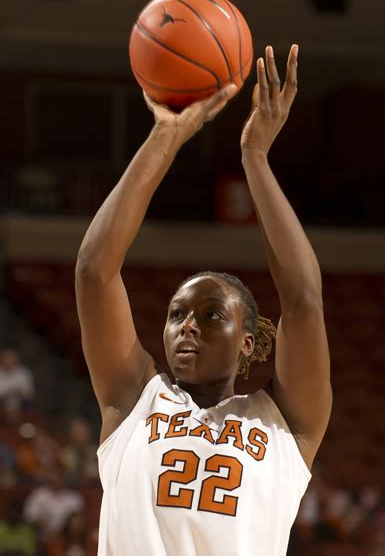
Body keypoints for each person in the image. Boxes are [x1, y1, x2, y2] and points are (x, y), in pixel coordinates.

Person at [75, 44, 332, 555]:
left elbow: (303, 298)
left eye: (211, 316)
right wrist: (165, 136)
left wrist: (254, 156)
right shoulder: (133, 401)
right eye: (176, 315)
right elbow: (93, 272)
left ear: (249, 341)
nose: (186, 326)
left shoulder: (285, 426)